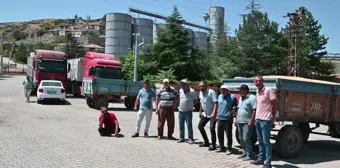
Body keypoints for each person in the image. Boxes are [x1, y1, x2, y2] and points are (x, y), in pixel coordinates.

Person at [250, 76, 277, 168]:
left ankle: (268, 163)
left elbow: (274, 103)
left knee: (266, 142)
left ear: (262, 81)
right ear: (254, 82)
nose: (258, 82)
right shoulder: (257, 91)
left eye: (259, 80)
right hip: (258, 119)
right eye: (256, 81)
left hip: (266, 120)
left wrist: (273, 116)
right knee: (260, 141)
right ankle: (261, 159)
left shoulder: (268, 90)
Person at [214, 84, 238, 155]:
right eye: (222, 89)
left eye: (224, 89)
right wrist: (216, 114)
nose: (223, 91)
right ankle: (221, 147)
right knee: (220, 133)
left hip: (228, 118)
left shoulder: (232, 97)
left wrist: (234, 109)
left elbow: (237, 105)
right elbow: (218, 106)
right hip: (220, 118)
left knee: (228, 134)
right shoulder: (219, 96)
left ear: (227, 90)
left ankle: (229, 148)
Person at [235, 84, 257, 160]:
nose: (240, 92)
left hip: (247, 122)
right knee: (241, 138)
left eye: (242, 90)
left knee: (246, 138)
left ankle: (249, 154)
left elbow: (254, 110)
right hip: (240, 121)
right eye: (240, 91)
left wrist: (251, 120)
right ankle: (244, 152)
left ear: (246, 91)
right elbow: (238, 109)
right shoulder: (241, 98)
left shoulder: (252, 98)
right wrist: (236, 119)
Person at [197, 80, 218, 151]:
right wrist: (200, 111)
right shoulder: (200, 92)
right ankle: (206, 142)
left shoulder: (211, 92)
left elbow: (215, 103)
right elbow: (201, 102)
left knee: (212, 128)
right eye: (200, 86)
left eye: (202, 86)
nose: (201, 87)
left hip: (212, 114)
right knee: (200, 126)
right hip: (205, 114)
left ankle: (214, 145)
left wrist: (214, 113)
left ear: (206, 86)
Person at [177, 79, 198, 144]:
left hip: (188, 111)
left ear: (187, 84)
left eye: (183, 84)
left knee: (189, 125)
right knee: (181, 125)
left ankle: (190, 138)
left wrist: (191, 106)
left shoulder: (192, 91)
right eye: (181, 85)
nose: (182, 86)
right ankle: (181, 138)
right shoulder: (180, 90)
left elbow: (195, 100)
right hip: (180, 110)